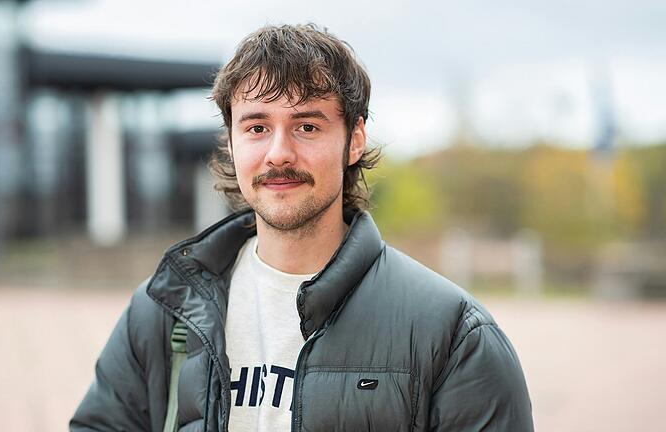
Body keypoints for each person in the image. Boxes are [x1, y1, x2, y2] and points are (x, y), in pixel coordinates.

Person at [70, 24, 533, 432]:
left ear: (354, 140)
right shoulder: (163, 310)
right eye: (256, 127)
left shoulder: (453, 337)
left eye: (307, 126)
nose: (278, 153)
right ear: (231, 143)